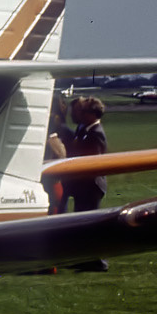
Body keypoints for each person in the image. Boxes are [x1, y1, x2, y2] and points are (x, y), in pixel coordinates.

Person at [62, 96, 109, 271]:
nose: (79, 114)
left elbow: (91, 161)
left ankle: (98, 261)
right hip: (84, 186)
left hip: (91, 186)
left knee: (91, 224)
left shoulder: (96, 134)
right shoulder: (85, 130)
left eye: (83, 111)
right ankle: (86, 259)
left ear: (91, 114)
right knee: (83, 223)